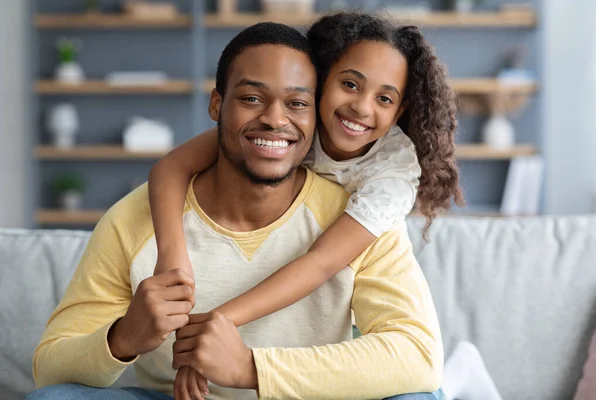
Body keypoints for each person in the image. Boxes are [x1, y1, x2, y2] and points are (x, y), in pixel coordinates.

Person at [27, 21, 443, 400]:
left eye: (296, 103)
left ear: (311, 109)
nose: (274, 119)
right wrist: (123, 337)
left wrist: (251, 367)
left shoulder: (367, 209)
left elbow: (419, 357)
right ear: (216, 106)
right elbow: (49, 368)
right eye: (251, 98)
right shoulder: (133, 220)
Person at [149, 12, 461, 397]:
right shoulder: (287, 123)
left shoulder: (392, 174)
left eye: (384, 98)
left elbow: (322, 262)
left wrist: (214, 325)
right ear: (320, 82)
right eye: (349, 84)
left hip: (348, 314)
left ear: (399, 112)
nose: (362, 108)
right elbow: (171, 168)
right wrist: (173, 261)